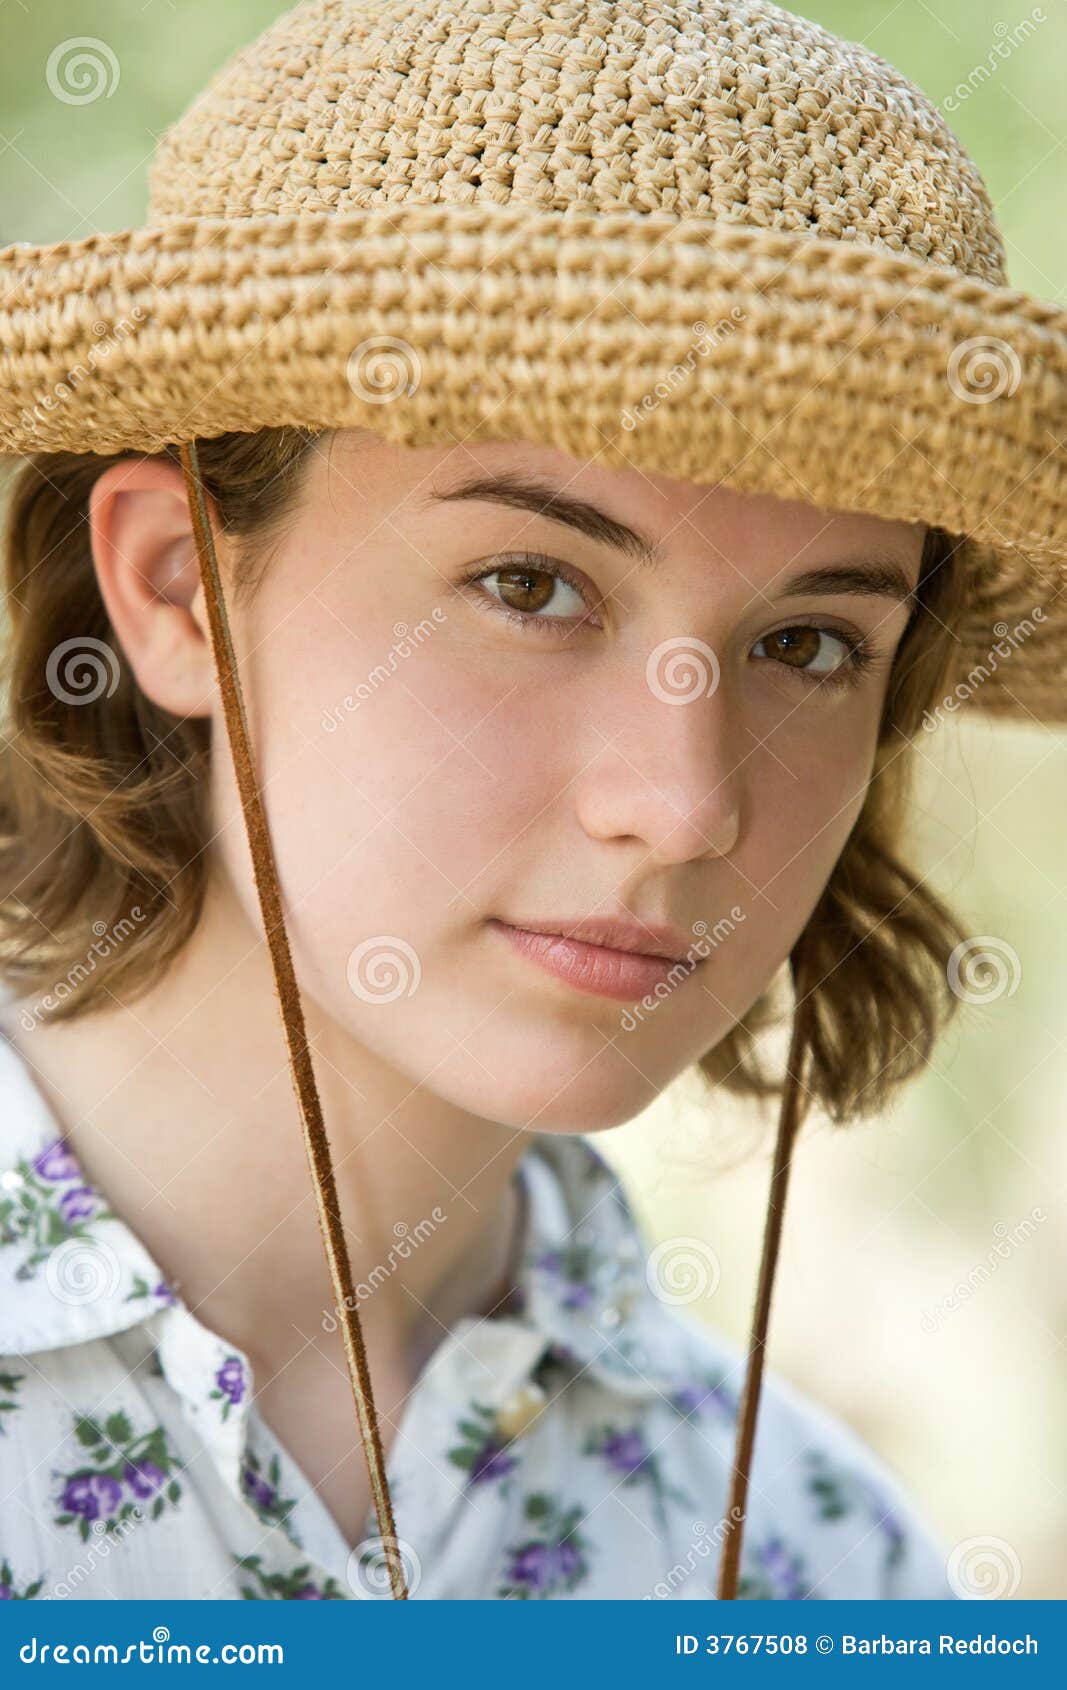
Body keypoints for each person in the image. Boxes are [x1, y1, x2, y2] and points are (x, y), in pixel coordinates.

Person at [0, 0, 1063, 1602]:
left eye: (807, 641)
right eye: (529, 581)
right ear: (177, 592)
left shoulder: (824, 1567)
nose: (687, 804)